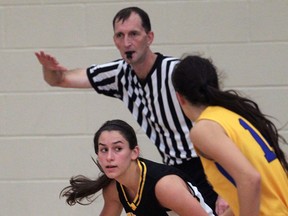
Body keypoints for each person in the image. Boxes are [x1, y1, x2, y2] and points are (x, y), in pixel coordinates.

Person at [35, 7, 227, 214]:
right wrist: (49, 70)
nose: (127, 42)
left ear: (149, 37)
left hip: (210, 162)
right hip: (174, 167)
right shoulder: (120, 74)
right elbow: (60, 79)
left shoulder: (175, 72)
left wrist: (228, 181)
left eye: (134, 34)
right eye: (120, 35)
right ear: (114, 40)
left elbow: (218, 117)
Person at [171, 54, 288, 216]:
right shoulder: (231, 115)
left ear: (179, 97)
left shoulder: (204, 129)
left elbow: (250, 179)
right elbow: (250, 191)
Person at [60, 119, 214, 216]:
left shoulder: (165, 186)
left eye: (118, 149)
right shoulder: (114, 189)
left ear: (134, 152)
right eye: (104, 150)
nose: (109, 157)